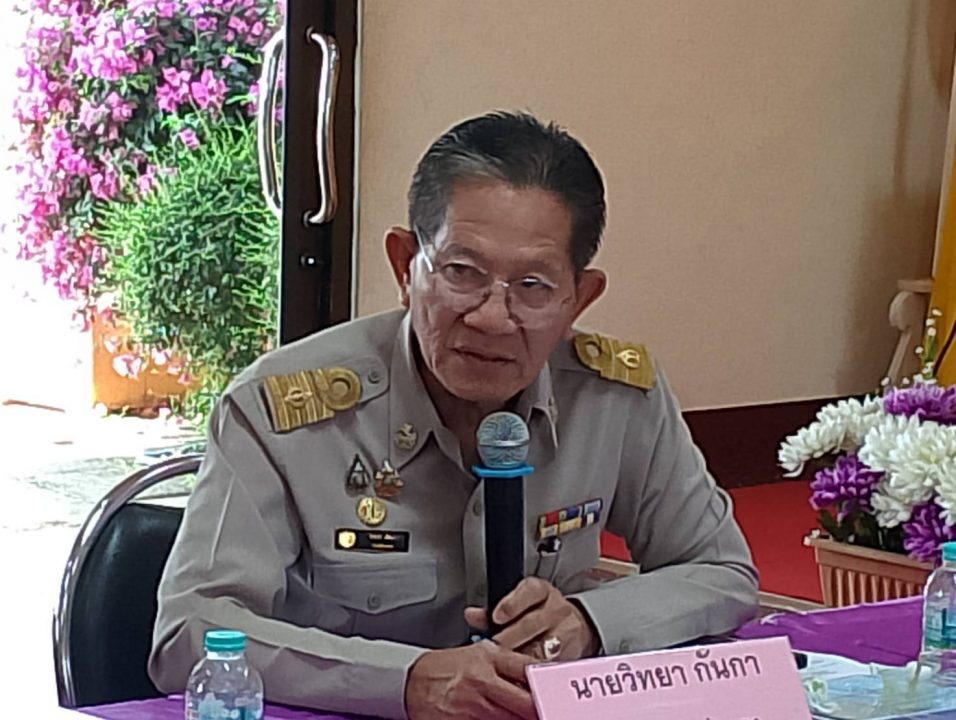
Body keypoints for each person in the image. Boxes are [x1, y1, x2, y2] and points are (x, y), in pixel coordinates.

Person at [149, 111, 758, 719]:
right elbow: (189, 628)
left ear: (579, 298)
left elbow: (722, 571)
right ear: (404, 268)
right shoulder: (281, 410)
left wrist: (589, 621)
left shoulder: (614, 398)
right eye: (462, 273)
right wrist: (404, 680)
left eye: (533, 286)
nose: (492, 317)